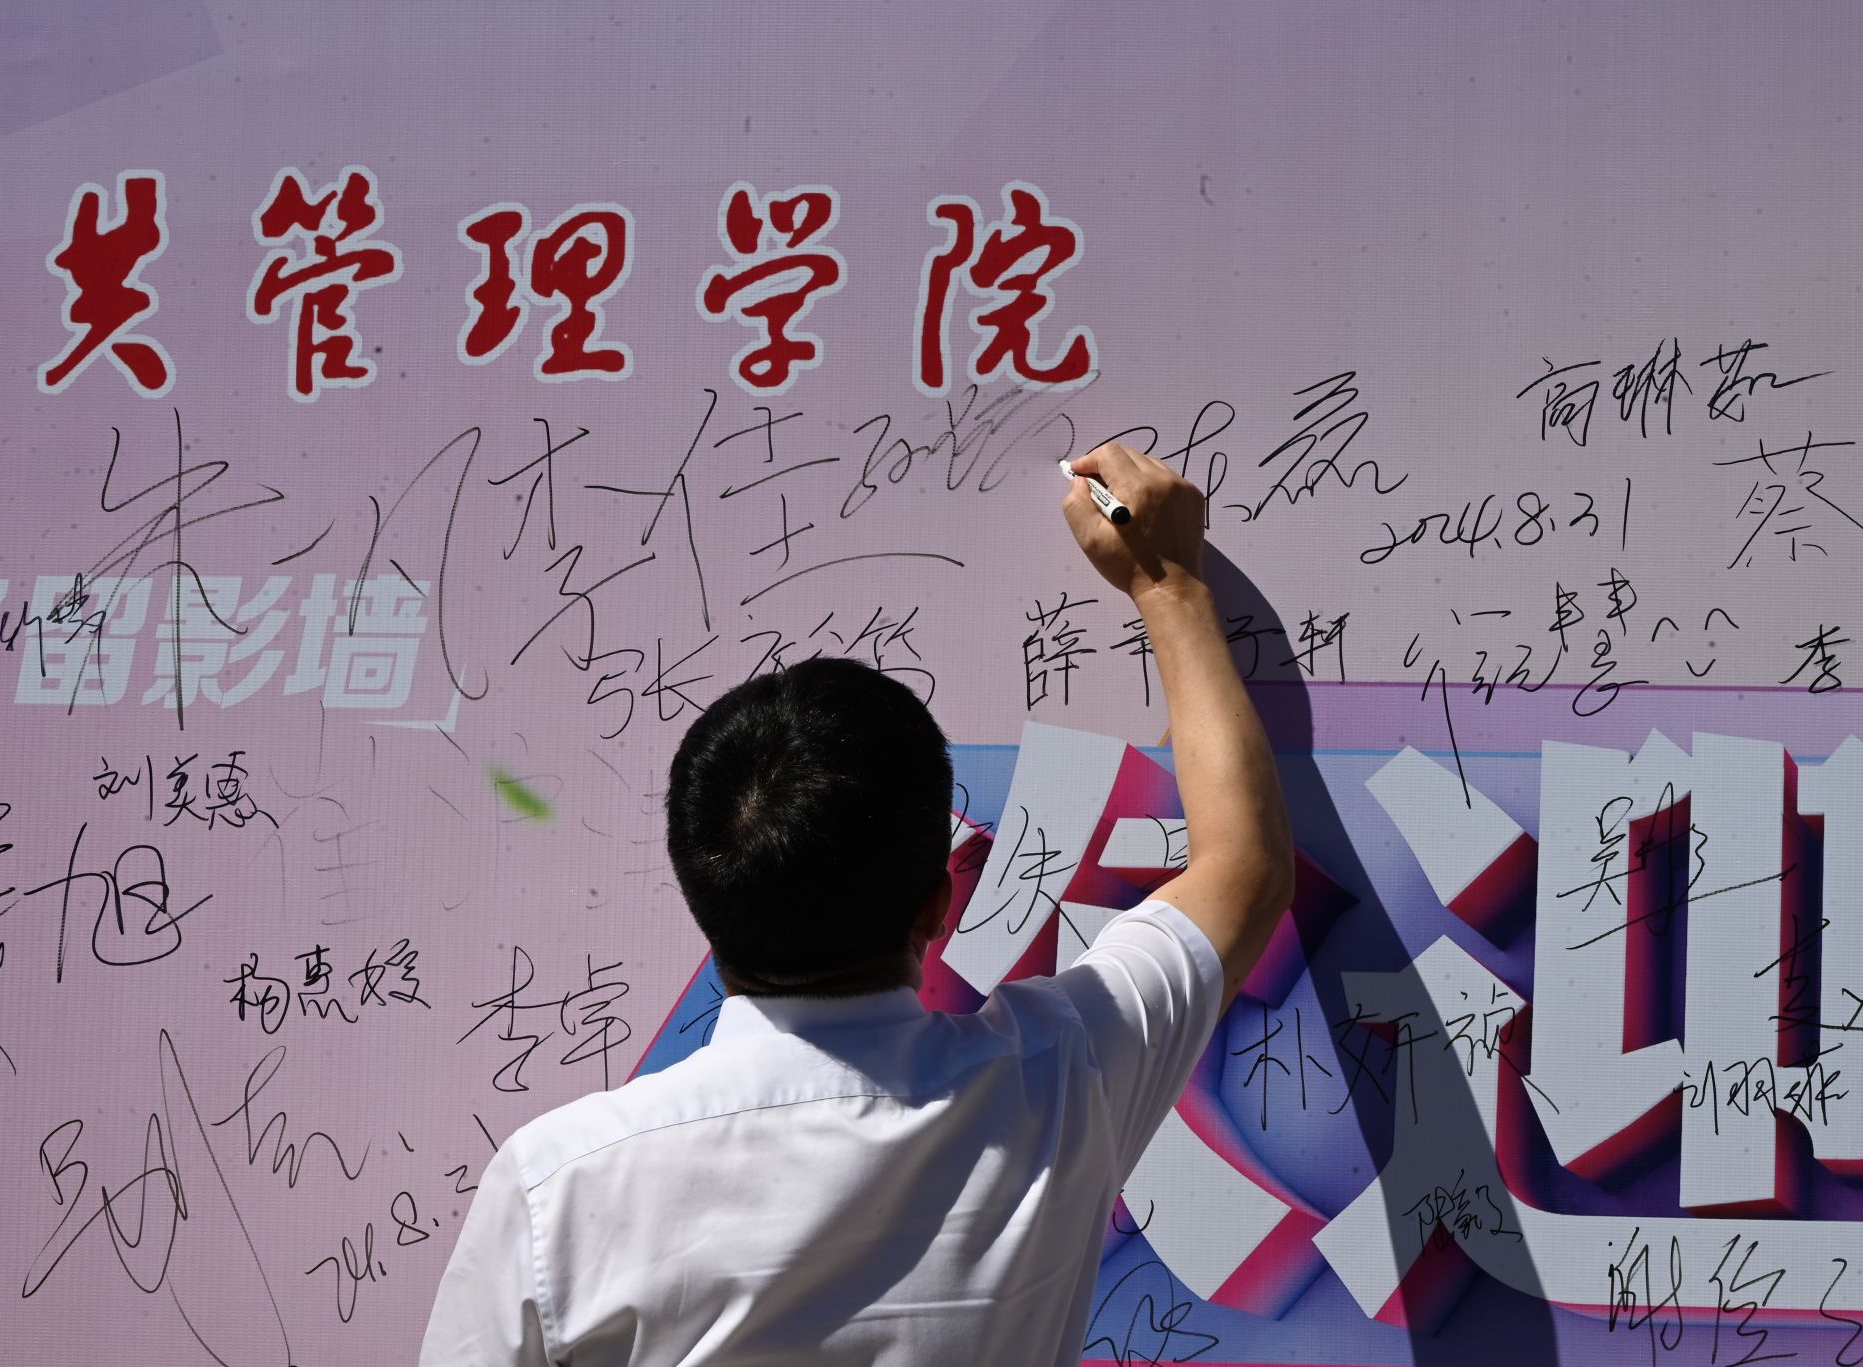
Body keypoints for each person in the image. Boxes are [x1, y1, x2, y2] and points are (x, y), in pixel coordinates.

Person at [419, 442, 1295, 1366]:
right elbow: (1244, 867)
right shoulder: (1055, 1082)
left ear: (707, 903)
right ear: (939, 903)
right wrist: (1167, 585)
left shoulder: (559, 1187)